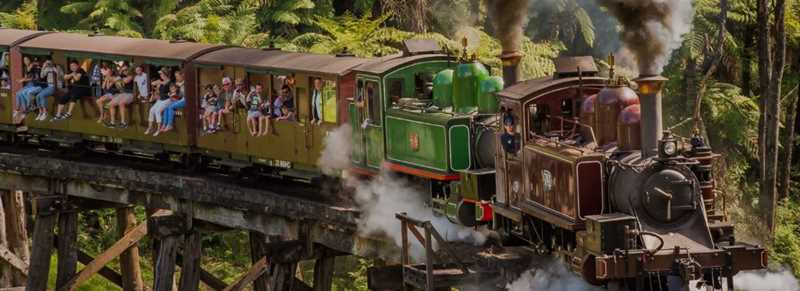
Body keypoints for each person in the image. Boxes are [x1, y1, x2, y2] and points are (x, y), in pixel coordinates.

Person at [145, 68, 173, 136]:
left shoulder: (169, 82)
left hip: (167, 100)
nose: (160, 75)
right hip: (160, 100)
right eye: (160, 74)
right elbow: (153, 84)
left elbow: (167, 84)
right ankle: (150, 127)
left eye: (161, 74)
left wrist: (159, 82)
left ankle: (158, 129)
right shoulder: (161, 81)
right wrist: (158, 84)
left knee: (157, 111)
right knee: (151, 110)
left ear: (165, 74)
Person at [13, 56, 40, 122]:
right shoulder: (26, 68)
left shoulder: (34, 67)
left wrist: (23, 80)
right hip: (29, 84)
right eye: (24, 60)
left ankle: (26, 110)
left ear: (30, 60)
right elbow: (26, 77)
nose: (25, 61)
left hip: (34, 85)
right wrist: (21, 80)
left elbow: (36, 78)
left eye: (27, 60)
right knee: (18, 93)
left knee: (24, 93)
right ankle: (17, 109)